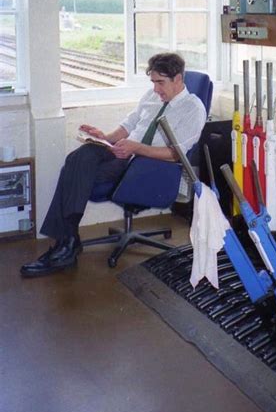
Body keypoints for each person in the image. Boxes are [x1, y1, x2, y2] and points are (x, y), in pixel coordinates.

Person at [21, 53, 207, 278]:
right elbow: (128, 125)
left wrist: (134, 148)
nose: (156, 89)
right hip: (123, 153)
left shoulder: (192, 108)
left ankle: (66, 245)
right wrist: (104, 138)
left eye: (161, 83)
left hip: (147, 166)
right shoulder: (152, 96)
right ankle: (67, 242)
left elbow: (175, 155)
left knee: (77, 171)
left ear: (178, 79)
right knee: (80, 157)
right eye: (153, 82)